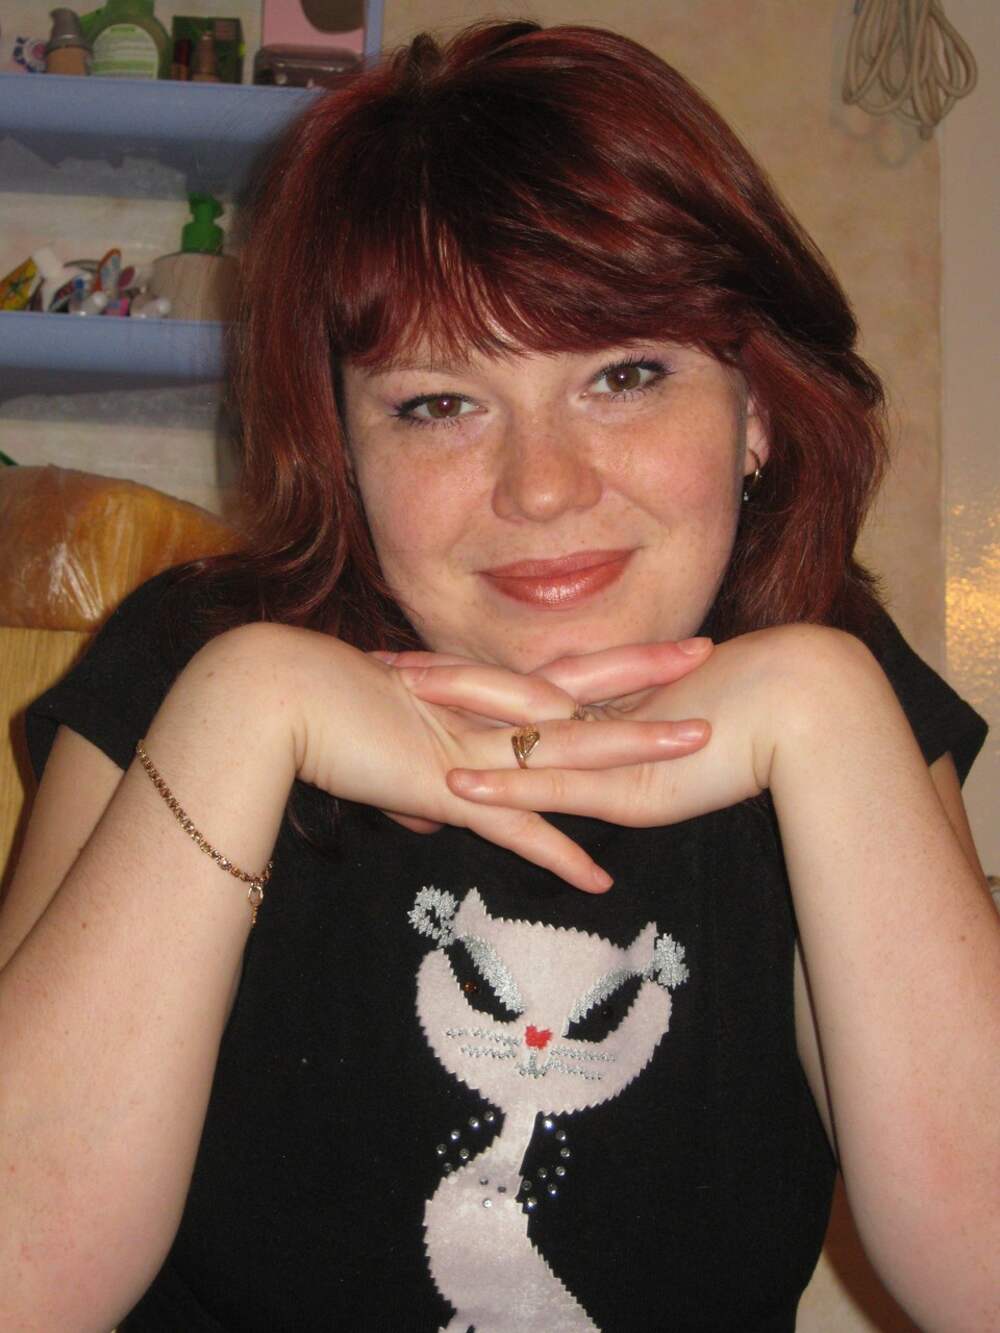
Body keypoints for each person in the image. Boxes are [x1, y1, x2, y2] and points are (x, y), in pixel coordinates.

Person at [1, 20, 997, 1332]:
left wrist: (829, 710)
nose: (541, 487)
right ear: (343, 444)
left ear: (754, 408)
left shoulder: (844, 696)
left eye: (625, 376)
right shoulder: (185, 663)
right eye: (439, 404)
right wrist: (241, 712)